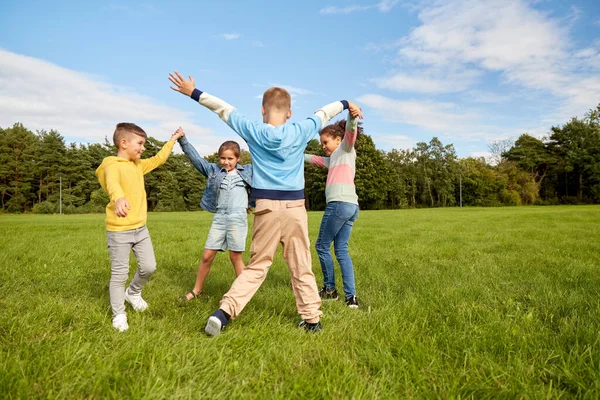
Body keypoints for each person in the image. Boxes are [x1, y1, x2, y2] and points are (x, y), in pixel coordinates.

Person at [169, 71, 363, 335]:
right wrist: (344, 103)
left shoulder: (253, 130)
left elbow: (223, 109)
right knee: (301, 265)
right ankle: (312, 321)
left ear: (263, 111)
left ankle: (224, 312)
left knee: (258, 265)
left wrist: (193, 91)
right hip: (295, 209)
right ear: (289, 113)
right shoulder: (300, 129)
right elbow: (324, 113)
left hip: (266, 208)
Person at [96, 123, 183, 332]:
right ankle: (118, 314)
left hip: (140, 228)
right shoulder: (111, 165)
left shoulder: (137, 165)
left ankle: (133, 293)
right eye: (140, 143)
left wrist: (173, 140)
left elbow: (158, 159)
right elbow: (113, 185)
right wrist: (118, 199)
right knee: (119, 274)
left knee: (149, 267)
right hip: (119, 230)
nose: (143, 148)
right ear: (123, 143)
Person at [176, 131, 253, 301]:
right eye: (223, 158)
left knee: (235, 257)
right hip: (220, 218)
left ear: (238, 158)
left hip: (237, 218)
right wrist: (183, 140)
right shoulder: (213, 170)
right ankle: (197, 290)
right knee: (207, 256)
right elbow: (197, 160)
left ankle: (243, 295)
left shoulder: (248, 171)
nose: (226, 162)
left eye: (230, 158)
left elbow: (264, 161)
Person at [305, 113, 361, 309]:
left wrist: (351, 117)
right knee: (341, 250)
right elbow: (312, 159)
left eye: (325, 142)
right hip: (352, 206)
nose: (323, 146)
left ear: (339, 139)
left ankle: (329, 290)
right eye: (321, 143)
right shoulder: (333, 159)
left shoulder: (345, 149)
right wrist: (291, 153)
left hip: (339, 204)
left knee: (321, 246)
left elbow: (351, 132)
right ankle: (351, 297)